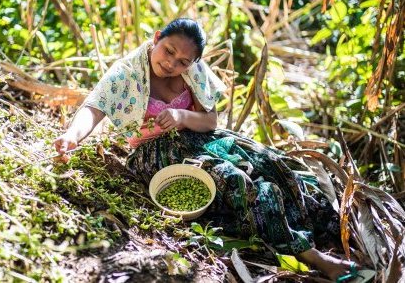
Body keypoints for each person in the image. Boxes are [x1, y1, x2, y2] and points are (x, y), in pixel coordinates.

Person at [54, 18, 365, 281]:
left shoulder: (192, 72)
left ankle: (332, 231)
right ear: (156, 38)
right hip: (156, 152)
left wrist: (180, 117)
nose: (171, 63)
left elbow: (210, 121)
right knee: (233, 179)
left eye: (182, 62)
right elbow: (94, 108)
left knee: (272, 163)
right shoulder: (126, 73)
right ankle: (310, 254)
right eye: (168, 51)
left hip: (199, 137)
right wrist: (71, 136)